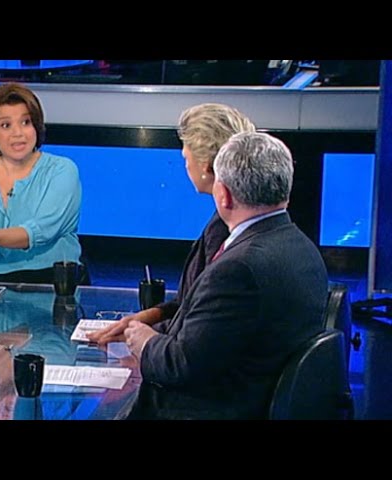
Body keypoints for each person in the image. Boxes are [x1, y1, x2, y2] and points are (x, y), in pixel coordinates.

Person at [125, 132, 329, 419]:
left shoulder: (238, 269)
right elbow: (214, 333)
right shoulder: (302, 247)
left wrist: (144, 341)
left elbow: (183, 365)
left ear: (223, 194)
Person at [88, 103, 255, 344]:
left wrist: (146, 339)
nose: (185, 164)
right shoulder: (224, 220)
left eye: (186, 156)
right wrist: (147, 317)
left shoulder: (227, 235)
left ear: (206, 165)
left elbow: (200, 327)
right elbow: (191, 302)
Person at [0, 82, 83, 284]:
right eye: (6, 125)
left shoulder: (62, 170)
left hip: (54, 279)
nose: (18, 133)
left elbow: (42, 230)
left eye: (26, 122)